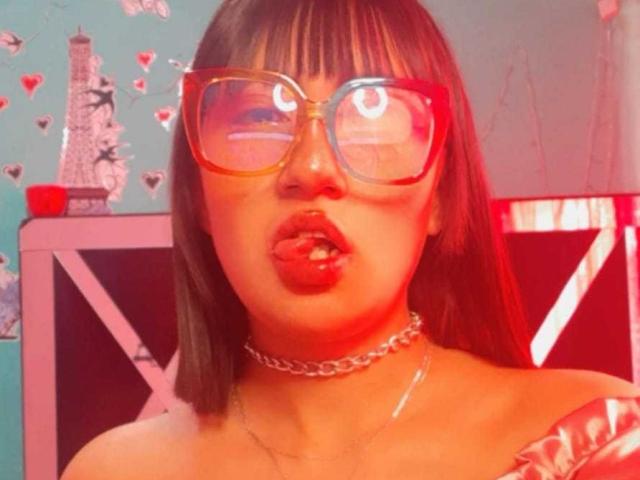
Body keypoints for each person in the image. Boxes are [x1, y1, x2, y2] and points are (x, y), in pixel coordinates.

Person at [62, 1, 640, 478]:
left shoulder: (592, 439)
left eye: (370, 113)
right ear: (196, 197)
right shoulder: (113, 471)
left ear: (441, 194)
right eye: (261, 118)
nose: (311, 168)